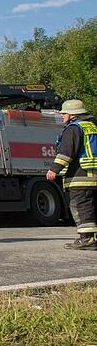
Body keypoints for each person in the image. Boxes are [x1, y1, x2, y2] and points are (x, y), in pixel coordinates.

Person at [46, 99, 97, 250]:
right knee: (93, 206)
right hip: (93, 175)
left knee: (81, 206)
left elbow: (66, 153)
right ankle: (92, 238)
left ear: (71, 115)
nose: (62, 116)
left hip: (80, 175)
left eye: (64, 114)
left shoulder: (73, 129)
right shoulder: (92, 127)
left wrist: (53, 169)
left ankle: (87, 239)